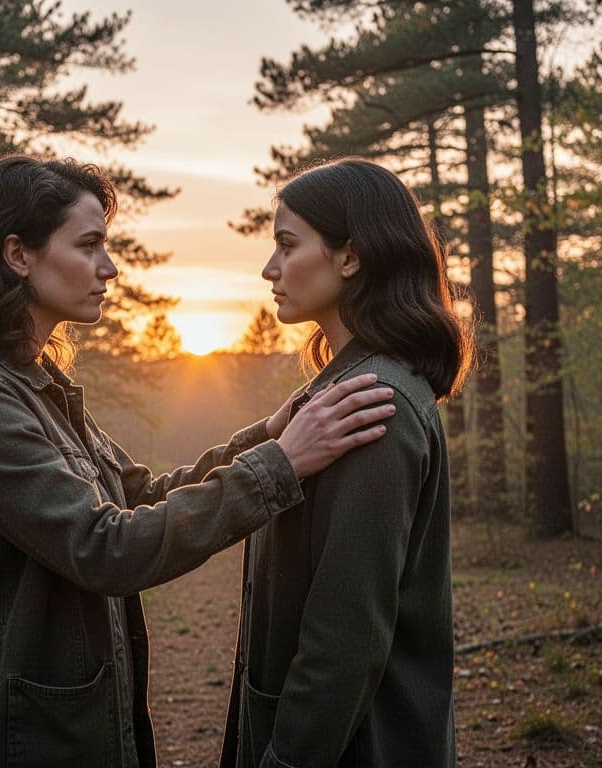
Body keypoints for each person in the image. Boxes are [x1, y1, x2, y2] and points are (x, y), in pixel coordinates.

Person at [0, 154, 397, 767]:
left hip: (67, 725)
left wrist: (268, 435)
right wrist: (280, 465)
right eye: (88, 246)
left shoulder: (32, 382)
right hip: (10, 733)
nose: (108, 268)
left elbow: (138, 496)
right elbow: (104, 545)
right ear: (17, 255)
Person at [219, 158, 474, 768]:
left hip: (356, 746)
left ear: (350, 257)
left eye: (287, 244)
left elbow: (346, 635)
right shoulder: (339, 392)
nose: (269, 269)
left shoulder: (372, 406)